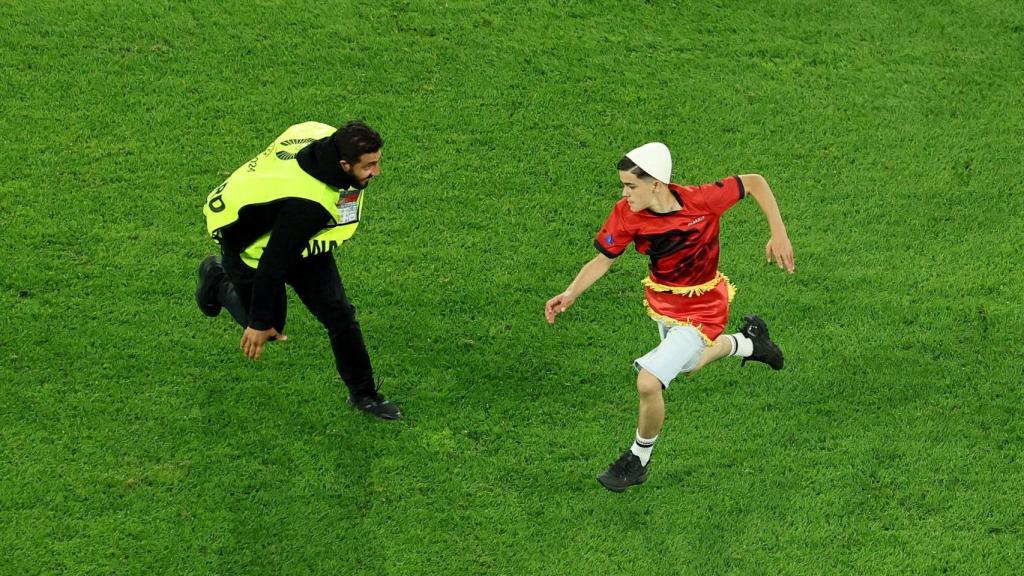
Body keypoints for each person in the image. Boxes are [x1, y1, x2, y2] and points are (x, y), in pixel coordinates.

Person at [544, 142, 795, 492]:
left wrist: (778, 231)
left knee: (649, 381)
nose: (624, 193)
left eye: (631, 186)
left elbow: (754, 181)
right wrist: (570, 293)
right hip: (664, 306)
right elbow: (603, 260)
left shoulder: (702, 200)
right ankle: (749, 344)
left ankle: (637, 460)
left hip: (704, 307)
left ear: (657, 184)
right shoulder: (626, 214)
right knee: (689, 365)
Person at [195, 120, 401, 420]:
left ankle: (364, 394)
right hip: (251, 251)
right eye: (369, 166)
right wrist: (257, 324)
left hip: (299, 242)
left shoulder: (319, 133)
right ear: (344, 164)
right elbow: (272, 264)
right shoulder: (310, 206)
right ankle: (216, 281)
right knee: (268, 327)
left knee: (340, 314)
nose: (376, 172)